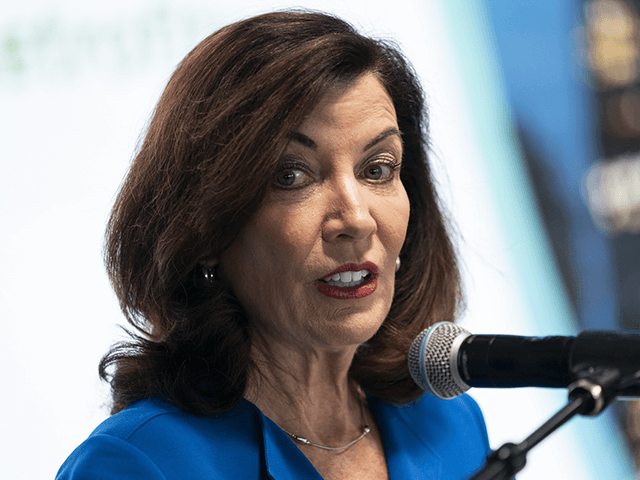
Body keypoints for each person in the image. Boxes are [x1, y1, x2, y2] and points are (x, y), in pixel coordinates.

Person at [56, 10, 490, 480]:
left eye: (378, 169)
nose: (357, 219)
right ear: (205, 229)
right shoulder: (141, 463)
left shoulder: (450, 426)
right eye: (292, 176)